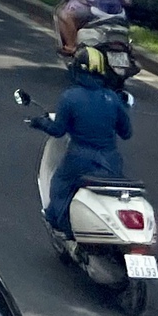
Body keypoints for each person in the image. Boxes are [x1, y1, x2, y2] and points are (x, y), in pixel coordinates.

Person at [28, 46, 134, 230]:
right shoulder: (112, 98)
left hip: (79, 159)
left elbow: (58, 130)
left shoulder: (70, 97)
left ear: (76, 69)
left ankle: (63, 228)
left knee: (59, 184)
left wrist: (39, 123)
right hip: (111, 162)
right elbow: (126, 133)